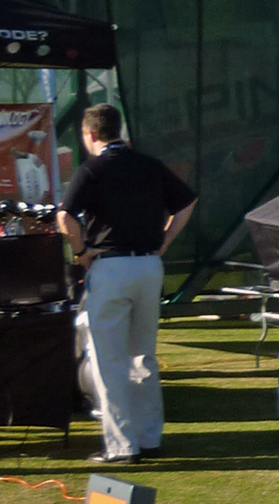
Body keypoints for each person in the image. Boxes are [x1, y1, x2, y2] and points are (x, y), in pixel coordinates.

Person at [57, 104, 195, 464]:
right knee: (143, 357)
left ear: (90, 134)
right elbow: (187, 202)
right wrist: (165, 240)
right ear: (119, 130)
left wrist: (80, 251)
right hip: (149, 266)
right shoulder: (149, 164)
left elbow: (64, 217)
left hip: (111, 266)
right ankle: (150, 438)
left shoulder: (92, 169)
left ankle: (121, 445)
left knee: (109, 360)